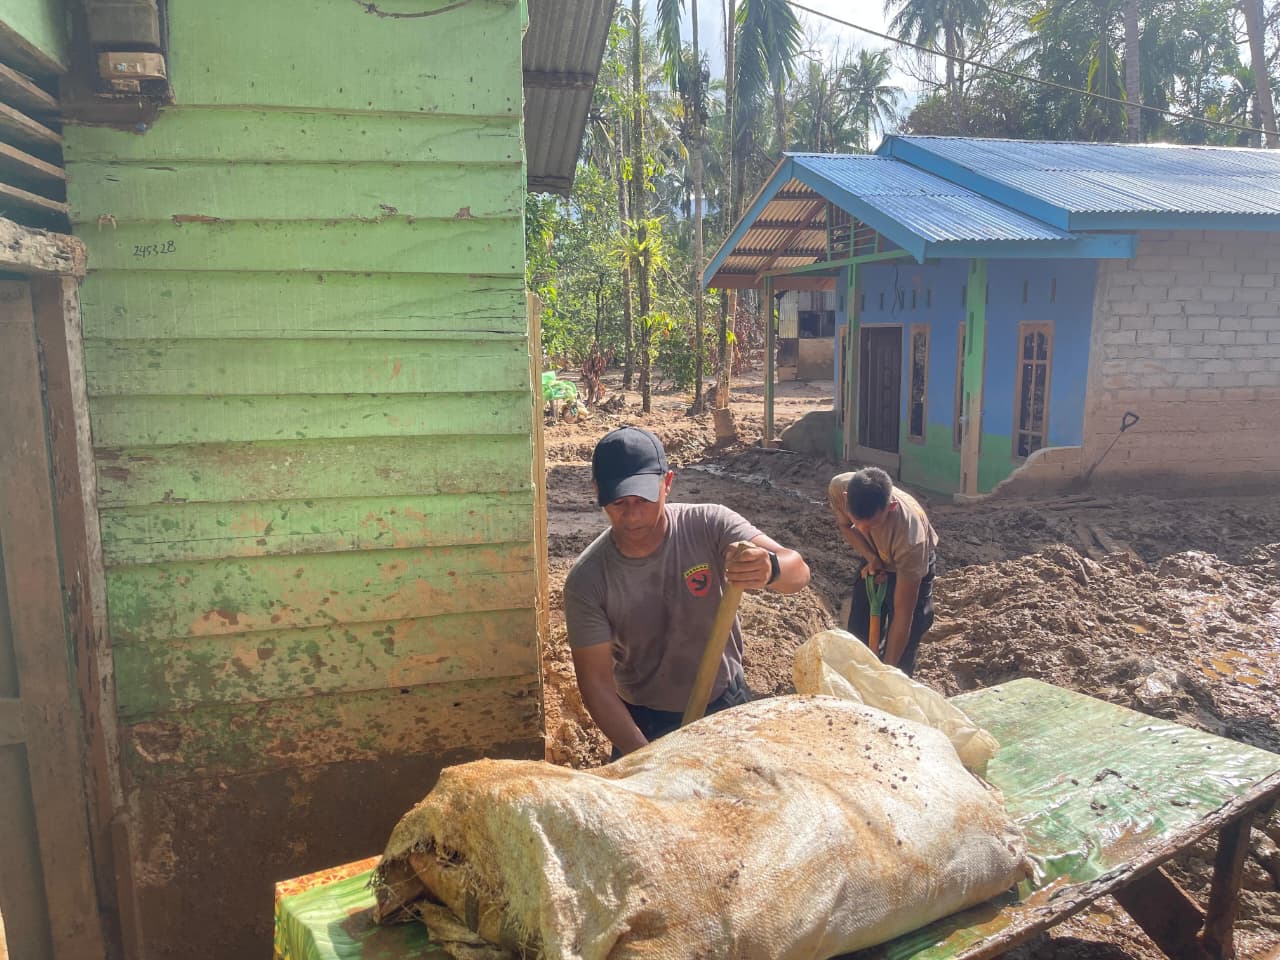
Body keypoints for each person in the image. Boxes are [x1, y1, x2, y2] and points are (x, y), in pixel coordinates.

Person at [564, 426, 811, 757]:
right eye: (619, 502)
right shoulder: (588, 579)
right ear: (597, 491)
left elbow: (799, 573)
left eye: (643, 499)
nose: (632, 515)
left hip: (725, 708)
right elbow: (596, 686)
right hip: (642, 724)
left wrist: (771, 568)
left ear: (667, 483)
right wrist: (648, 759)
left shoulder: (709, 525)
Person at [828, 467, 937, 676]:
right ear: (846, 497)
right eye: (857, 522)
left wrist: (885, 674)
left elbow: (903, 614)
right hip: (876, 552)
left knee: (903, 650)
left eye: (871, 525)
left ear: (891, 507)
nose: (862, 529)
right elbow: (845, 526)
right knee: (859, 632)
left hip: (907, 564)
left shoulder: (911, 541)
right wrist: (871, 557)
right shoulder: (839, 487)